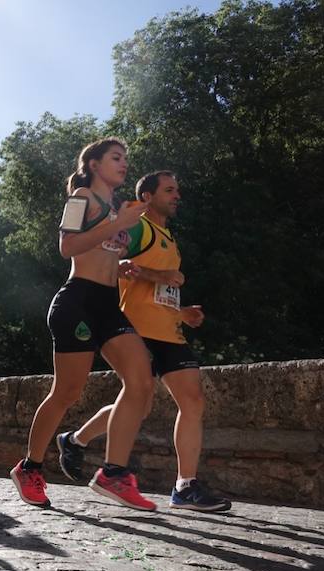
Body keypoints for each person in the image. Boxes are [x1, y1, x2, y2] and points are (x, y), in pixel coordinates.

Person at [58, 171, 232, 511]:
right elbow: (114, 261)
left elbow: (152, 287)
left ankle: (185, 486)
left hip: (169, 329)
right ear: (148, 197)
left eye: (177, 190)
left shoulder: (167, 235)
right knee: (142, 403)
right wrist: (160, 275)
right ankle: (78, 441)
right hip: (136, 328)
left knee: (193, 400)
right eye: (169, 190)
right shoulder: (137, 226)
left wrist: (182, 312)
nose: (177, 195)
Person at [10, 138, 157, 510]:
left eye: (126, 158)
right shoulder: (80, 200)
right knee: (67, 393)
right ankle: (29, 468)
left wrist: (121, 264)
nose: (124, 164)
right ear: (94, 164)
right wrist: (118, 224)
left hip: (108, 304)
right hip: (77, 302)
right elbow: (68, 247)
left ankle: (114, 474)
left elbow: (103, 252)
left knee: (141, 383)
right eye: (116, 157)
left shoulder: (115, 206)